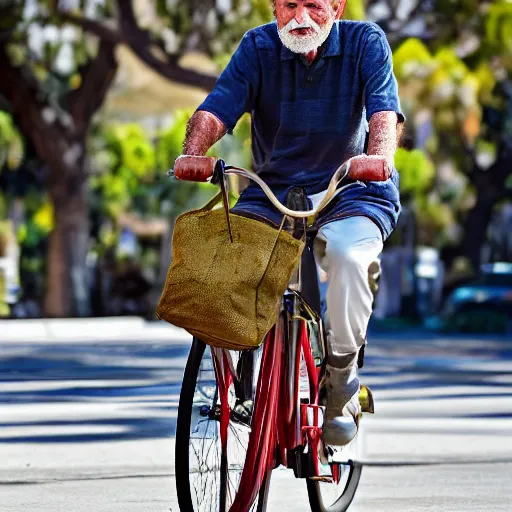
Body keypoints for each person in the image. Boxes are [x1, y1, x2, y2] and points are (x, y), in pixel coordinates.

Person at [176, 0, 404, 446]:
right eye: (289, 5)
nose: (300, 17)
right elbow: (217, 106)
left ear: (336, 8)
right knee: (227, 261)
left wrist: (378, 158)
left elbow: (383, 113)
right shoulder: (258, 46)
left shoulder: (365, 42)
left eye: (314, 6)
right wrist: (194, 151)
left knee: (345, 256)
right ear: (275, 7)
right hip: (273, 191)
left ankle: (341, 383)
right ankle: (241, 378)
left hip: (350, 189)